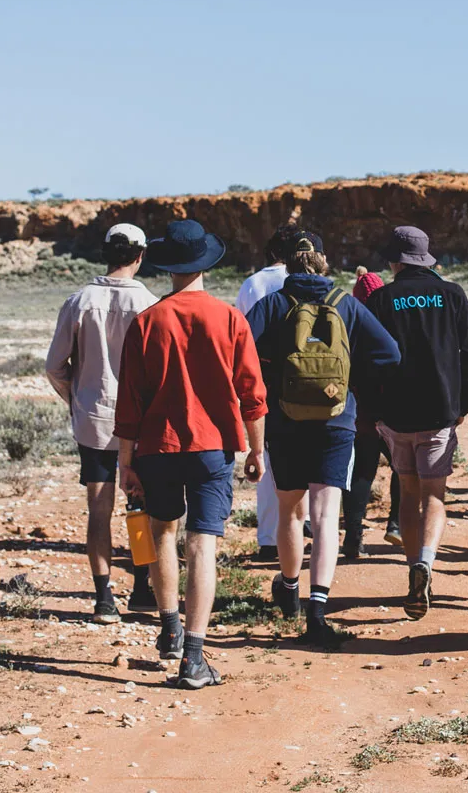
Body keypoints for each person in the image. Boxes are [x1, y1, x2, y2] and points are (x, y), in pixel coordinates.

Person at [115, 219, 266, 689]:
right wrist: (257, 449)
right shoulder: (229, 319)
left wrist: (125, 461)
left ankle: (169, 629)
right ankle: (195, 657)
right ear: (206, 262)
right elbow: (252, 395)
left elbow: (130, 402)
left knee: (163, 533)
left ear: (168, 266)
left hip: (157, 445)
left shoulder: (146, 322)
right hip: (212, 446)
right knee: (203, 543)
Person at [246, 230, 401, 645]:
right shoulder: (345, 304)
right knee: (327, 515)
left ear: (288, 267)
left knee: (291, 513)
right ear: (324, 262)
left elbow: (239, 353)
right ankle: (318, 612)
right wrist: (350, 383)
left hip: (284, 420)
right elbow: (390, 353)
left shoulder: (273, 304)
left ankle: (290, 590)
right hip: (337, 419)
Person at [364, 226, 468, 619]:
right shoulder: (452, 294)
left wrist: (375, 411)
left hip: (397, 413)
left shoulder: (381, 298)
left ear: (395, 262)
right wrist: (463, 404)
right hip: (440, 410)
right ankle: (426, 564)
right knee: (434, 495)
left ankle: (412, 560)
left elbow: (367, 359)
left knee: (408, 491)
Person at [43, 223, 159, 622]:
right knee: (140, 504)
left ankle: (103, 595)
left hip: (93, 418)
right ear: (141, 255)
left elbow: (54, 366)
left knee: (98, 506)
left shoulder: (79, 301)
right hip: (140, 422)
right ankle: (142, 586)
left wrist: (76, 397)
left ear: (105, 253)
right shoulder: (150, 303)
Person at [238, 224, 305, 563]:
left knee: (266, 462)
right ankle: (303, 530)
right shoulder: (306, 277)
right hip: (308, 381)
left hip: (265, 381)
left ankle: (268, 539)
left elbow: (242, 336)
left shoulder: (254, 283)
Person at [342, 267, 399, 559]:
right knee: (402, 466)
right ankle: (396, 524)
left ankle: (353, 538)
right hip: (390, 411)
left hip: (360, 413)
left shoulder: (348, 323)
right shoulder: (388, 324)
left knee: (361, 473)